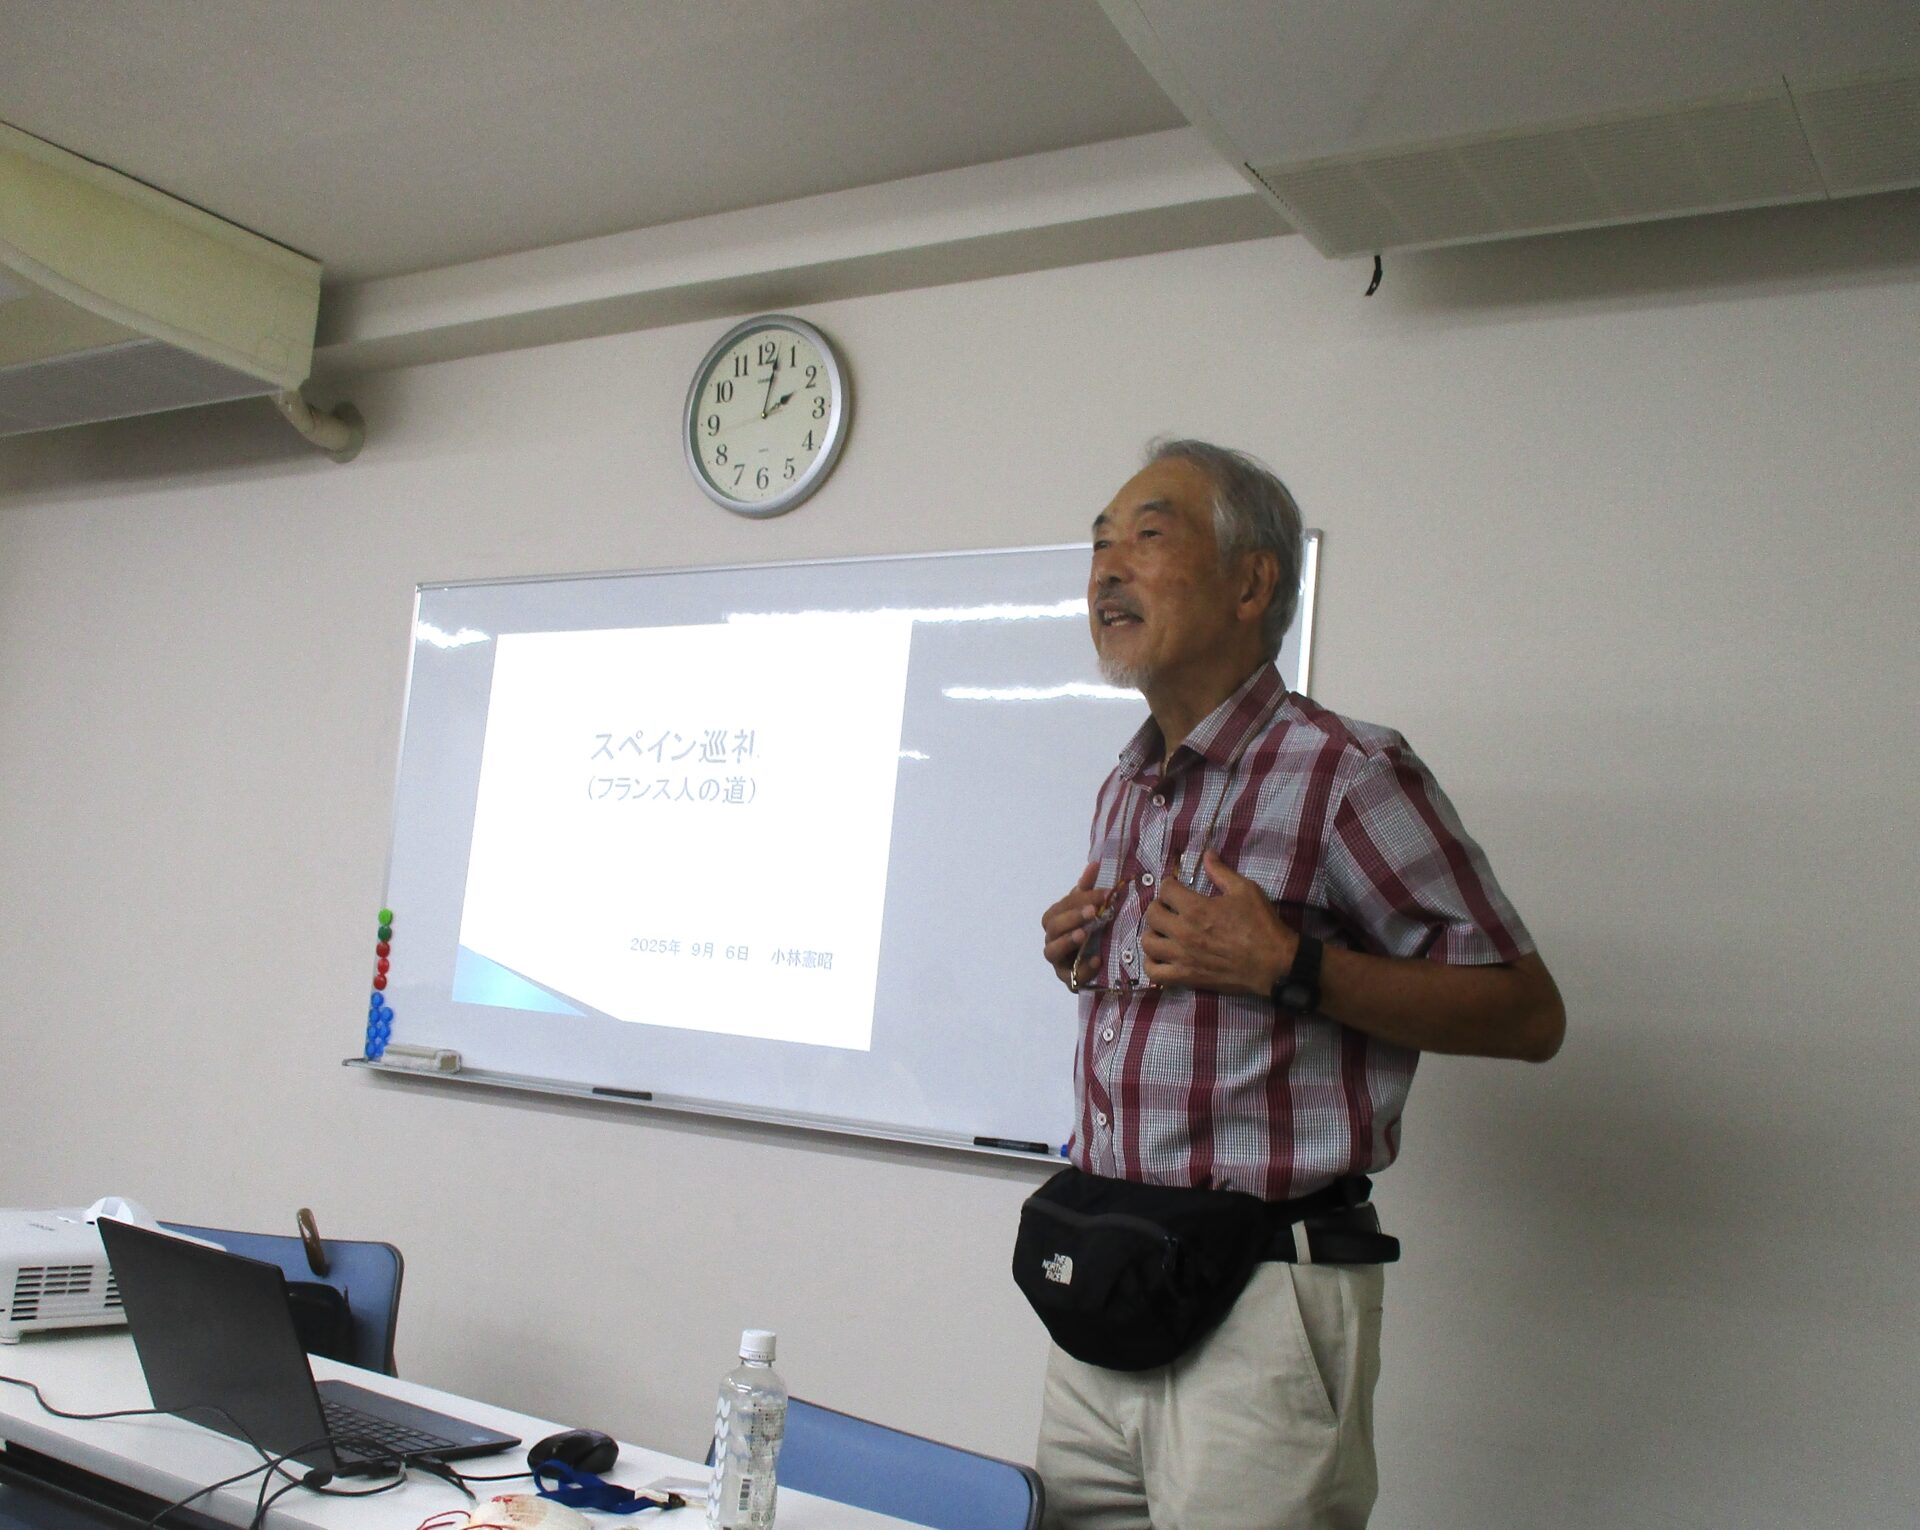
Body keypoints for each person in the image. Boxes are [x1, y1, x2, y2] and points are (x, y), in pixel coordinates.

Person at [1033, 439, 1565, 1529]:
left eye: (1147, 536)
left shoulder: (1346, 771)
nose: (1106, 570)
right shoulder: (1126, 786)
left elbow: (1527, 1012)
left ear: (1251, 583)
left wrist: (1292, 965)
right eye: (1098, 544)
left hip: (1263, 1300)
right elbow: (1187, 1016)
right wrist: (1085, 956)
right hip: (1106, 1269)